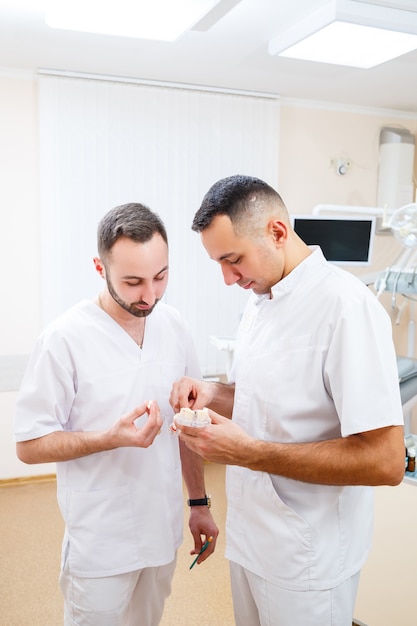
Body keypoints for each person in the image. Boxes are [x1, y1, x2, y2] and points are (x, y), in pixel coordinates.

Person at [169, 175, 405, 626]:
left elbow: (386, 460)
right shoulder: (259, 302)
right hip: (252, 542)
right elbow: (265, 400)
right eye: (218, 263)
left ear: (277, 232)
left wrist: (250, 453)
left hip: (307, 557)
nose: (227, 278)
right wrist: (215, 394)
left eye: (233, 259)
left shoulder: (346, 308)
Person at [14, 202, 218, 626]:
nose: (150, 296)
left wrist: (198, 502)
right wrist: (108, 438)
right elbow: (29, 445)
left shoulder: (174, 326)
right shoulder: (63, 339)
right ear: (98, 267)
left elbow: (189, 422)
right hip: (100, 543)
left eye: (160, 277)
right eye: (133, 282)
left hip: (160, 533)